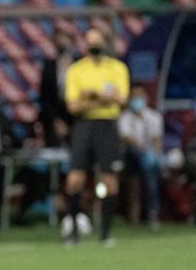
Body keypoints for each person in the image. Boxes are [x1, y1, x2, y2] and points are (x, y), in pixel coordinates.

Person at [63, 29, 130, 246]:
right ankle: (73, 232)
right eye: (90, 42)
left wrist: (92, 95)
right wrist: (104, 98)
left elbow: (121, 100)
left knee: (109, 181)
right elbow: (73, 105)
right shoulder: (76, 70)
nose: (94, 46)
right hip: (84, 125)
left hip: (107, 126)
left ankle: (106, 233)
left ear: (105, 42)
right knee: (75, 180)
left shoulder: (117, 68)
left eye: (98, 41)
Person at [119, 87, 163, 227]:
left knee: (151, 172)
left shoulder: (154, 116)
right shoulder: (124, 117)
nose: (137, 100)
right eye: (134, 96)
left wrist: (154, 155)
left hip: (148, 156)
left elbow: (157, 139)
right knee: (136, 156)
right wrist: (144, 152)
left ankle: (152, 214)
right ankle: (136, 216)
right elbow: (127, 139)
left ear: (146, 98)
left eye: (140, 96)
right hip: (131, 157)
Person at [40, 28, 77, 147]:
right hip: (55, 118)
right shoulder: (49, 66)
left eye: (65, 40)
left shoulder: (80, 65)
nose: (62, 44)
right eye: (59, 40)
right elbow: (44, 96)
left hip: (75, 118)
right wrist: (55, 121)